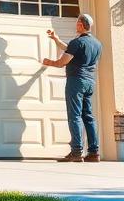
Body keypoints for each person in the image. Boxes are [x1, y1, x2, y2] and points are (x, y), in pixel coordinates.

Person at [42, 14, 102, 163]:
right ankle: (94, 152)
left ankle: (76, 152)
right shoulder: (97, 44)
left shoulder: (78, 42)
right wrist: (56, 39)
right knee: (88, 116)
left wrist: (49, 62)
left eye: (77, 22)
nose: (76, 25)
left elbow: (63, 62)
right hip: (89, 82)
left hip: (76, 81)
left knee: (74, 116)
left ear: (81, 24)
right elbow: (70, 50)